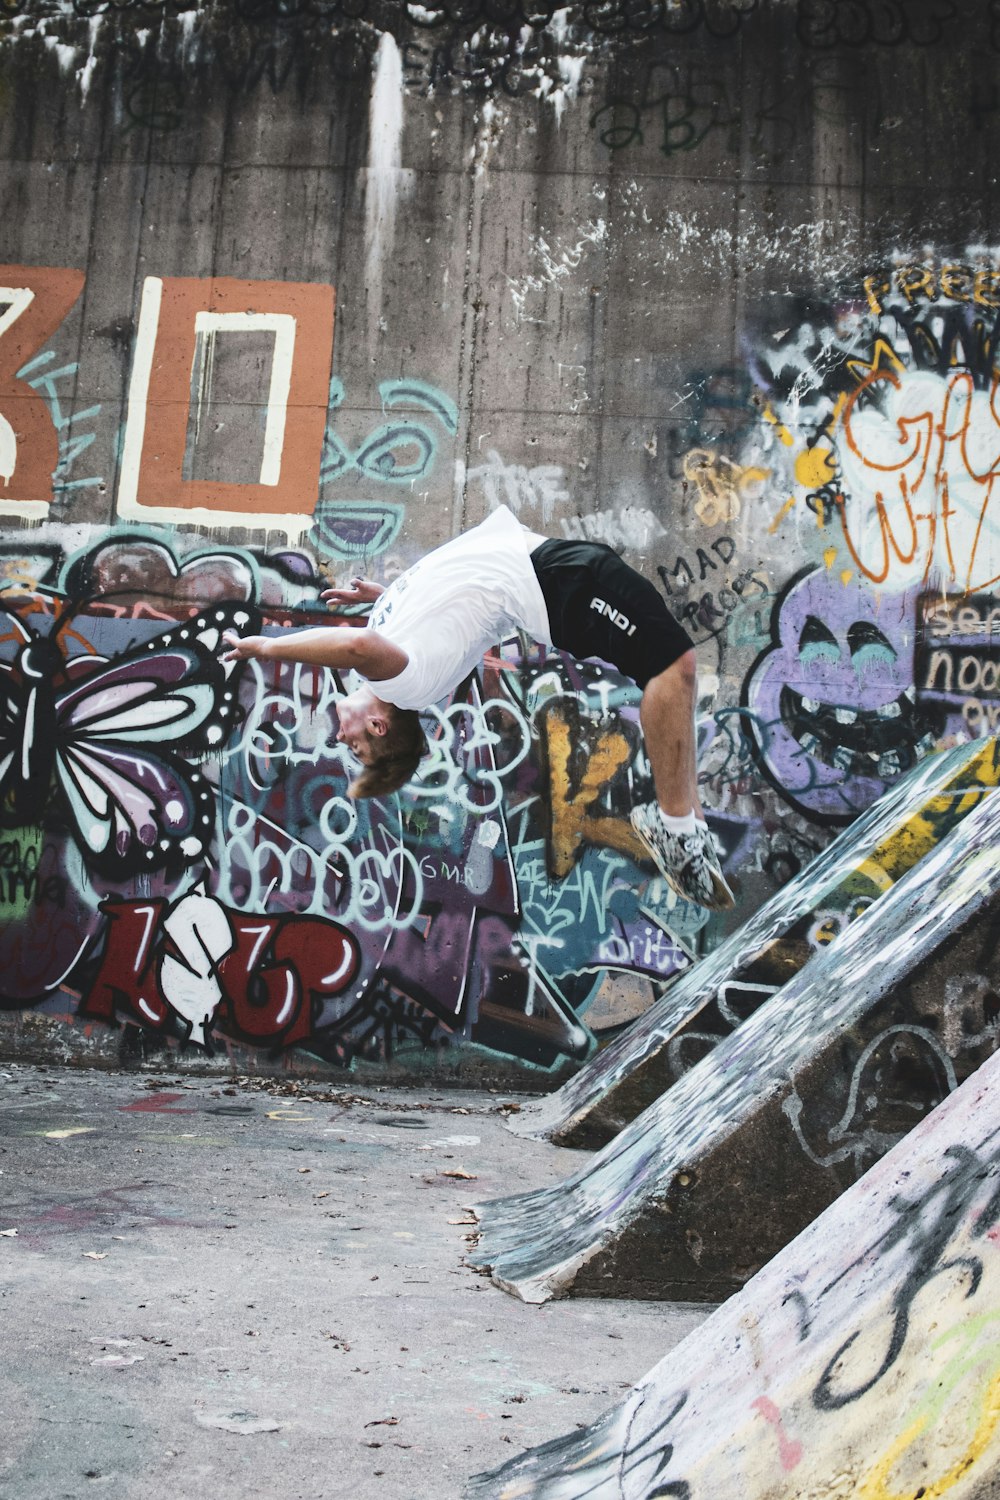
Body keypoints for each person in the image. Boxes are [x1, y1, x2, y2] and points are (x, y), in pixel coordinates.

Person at [223, 505, 733, 911]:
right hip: (556, 585)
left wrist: (383, 596)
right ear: (380, 726)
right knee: (674, 667)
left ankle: (685, 825)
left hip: (551, 570)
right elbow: (358, 647)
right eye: (356, 746)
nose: (339, 738)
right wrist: (264, 647)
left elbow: (456, 617)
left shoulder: (403, 658)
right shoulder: (405, 685)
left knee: (673, 665)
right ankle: (676, 824)